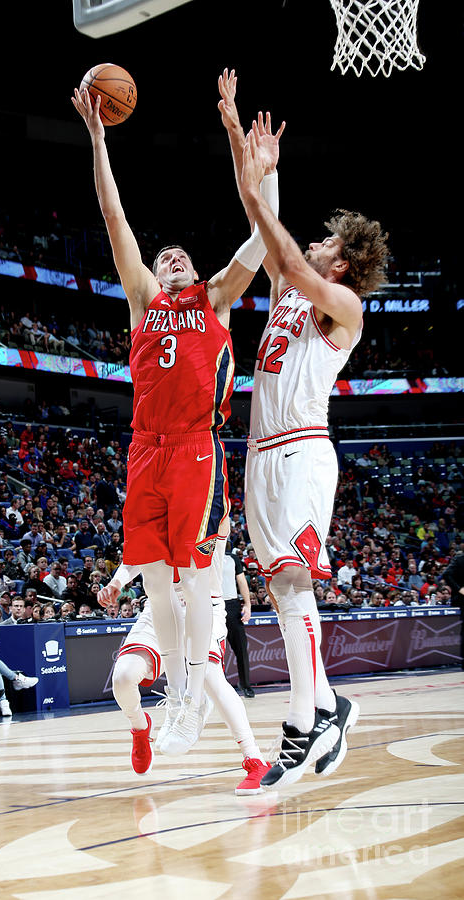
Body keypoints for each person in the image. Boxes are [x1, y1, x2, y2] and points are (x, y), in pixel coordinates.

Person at [72, 78, 270, 755]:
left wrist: (246, 156)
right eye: (163, 258)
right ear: (154, 275)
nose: (170, 258)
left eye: (178, 255)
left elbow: (258, 245)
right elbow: (114, 218)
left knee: (191, 582)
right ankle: (176, 698)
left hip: (193, 448)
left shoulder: (212, 301)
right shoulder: (142, 303)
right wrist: (99, 140)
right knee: (155, 579)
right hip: (144, 450)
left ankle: (193, 701)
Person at [225, 71, 388, 787]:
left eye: (326, 241)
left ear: (342, 261)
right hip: (257, 454)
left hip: (299, 450)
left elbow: (283, 249)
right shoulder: (290, 289)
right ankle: (324, 705)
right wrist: (243, 150)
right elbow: (267, 239)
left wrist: (259, 190)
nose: (314, 245)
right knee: (280, 589)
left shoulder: (341, 305)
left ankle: (304, 722)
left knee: (293, 579)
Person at [99, 543, 270, 793]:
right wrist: (117, 581)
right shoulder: (152, 506)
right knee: (123, 677)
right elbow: (141, 550)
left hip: (203, 602)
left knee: (210, 676)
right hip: (159, 606)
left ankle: (254, 758)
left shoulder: (208, 506)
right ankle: (140, 726)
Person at [222, 543, 254, 698]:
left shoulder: (232, 558)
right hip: (212, 605)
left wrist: (247, 604)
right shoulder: (205, 555)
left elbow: (242, 582)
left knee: (241, 648)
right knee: (216, 651)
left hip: (233, 605)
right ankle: (220, 687)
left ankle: (245, 684)